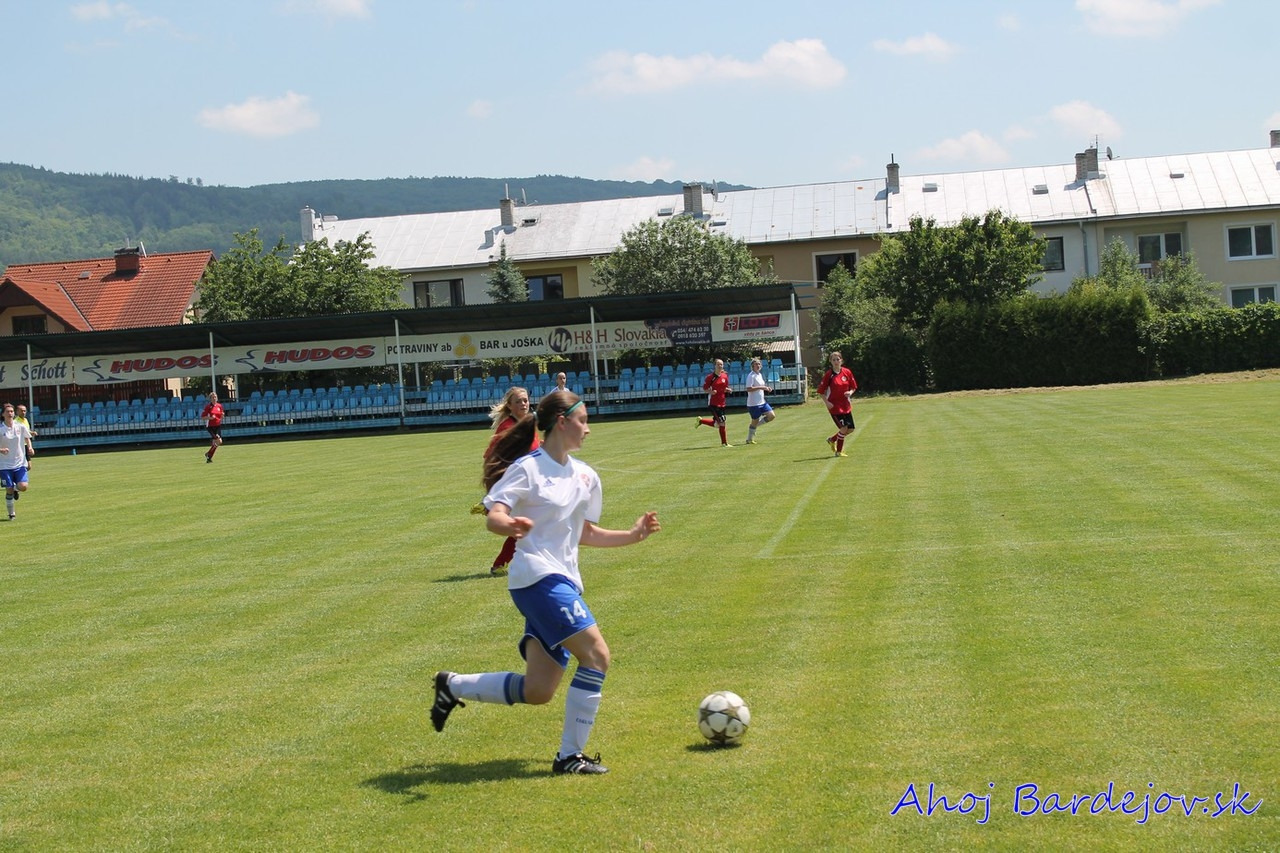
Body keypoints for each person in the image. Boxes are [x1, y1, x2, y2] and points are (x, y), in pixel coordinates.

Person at [432, 390, 661, 776]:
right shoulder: (528, 468)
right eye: (583, 420)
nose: (588, 429)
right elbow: (494, 515)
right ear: (562, 421)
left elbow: (584, 533)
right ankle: (570, 756)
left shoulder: (586, 476)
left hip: (562, 581)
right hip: (537, 577)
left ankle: (452, 685)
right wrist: (510, 524)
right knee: (597, 656)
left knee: (538, 690)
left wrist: (633, 535)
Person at [483, 386, 539, 576]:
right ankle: (502, 564)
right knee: (529, 523)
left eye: (525, 400)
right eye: (518, 401)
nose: (523, 404)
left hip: (529, 482)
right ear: (509, 405)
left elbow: (533, 449)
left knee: (531, 523)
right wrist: (494, 489)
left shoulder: (528, 422)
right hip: (515, 484)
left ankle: (504, 564)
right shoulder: (508, 427)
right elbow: (492, 456)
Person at [816, 351, 857, 457]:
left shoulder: (847, 372)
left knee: (850, 429)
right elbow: (821, 391)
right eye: (833, 360)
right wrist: (827, 402)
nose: (836, 361)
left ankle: (832, 439)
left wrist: (850, 392)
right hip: (835, 407)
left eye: (837, 359)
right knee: (843, 429)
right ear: (830, 361)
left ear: (841, 360)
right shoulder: (829, 375)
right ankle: (838, 452)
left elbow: (853, 387)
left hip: (846, 406)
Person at [1, 403, 34, 520]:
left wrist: (30, 447)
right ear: (3, 414)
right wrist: (1, 450)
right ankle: (11, 514)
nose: (10, 413)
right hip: (4, 465)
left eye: (11, 411)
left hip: (20, 463)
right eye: (7, 411)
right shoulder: (0, 429)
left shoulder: (20, 426)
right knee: (8, 490)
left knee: (23, 486)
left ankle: (16, 488)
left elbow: (27, 437)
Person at [695, 358, 733, 447]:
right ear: (714, 366)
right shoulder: (710, 377)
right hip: (713, 403)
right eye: (718, 364)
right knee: (722, 422)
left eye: (721, 364)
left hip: (722, 402)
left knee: (717, 424)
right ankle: (724, 443)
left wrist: (728, 390)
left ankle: (701, 421)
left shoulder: (724, 376)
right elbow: (705, 388)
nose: (720, 366)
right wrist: (711, 392)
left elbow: (724, 388)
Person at [743, 357, 776, 444]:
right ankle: (749, 439)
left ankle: (754, 426)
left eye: (759, 364)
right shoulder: (751, 376)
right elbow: (749, 389)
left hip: (762, 402)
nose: (758, 366)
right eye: (756, 364)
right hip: (753, 403)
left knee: (771, 416)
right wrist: (762, 387)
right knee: (755, 420)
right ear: (752, 366)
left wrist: (766, 388)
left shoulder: (759, 375)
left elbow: (761, 386)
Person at [201, 391, 225, 462]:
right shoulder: (208, 407)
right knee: (219, 441)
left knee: (215, 442)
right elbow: (203, 417)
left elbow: (221, 415)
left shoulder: (219, 406)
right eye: (213, 397)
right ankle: (209, 454)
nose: (214, 398)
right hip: (210, 426)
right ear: (210, 399)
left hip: (218, 426)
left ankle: (209, 456)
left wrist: (222, 415)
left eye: (215, 397)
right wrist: (210, 418)